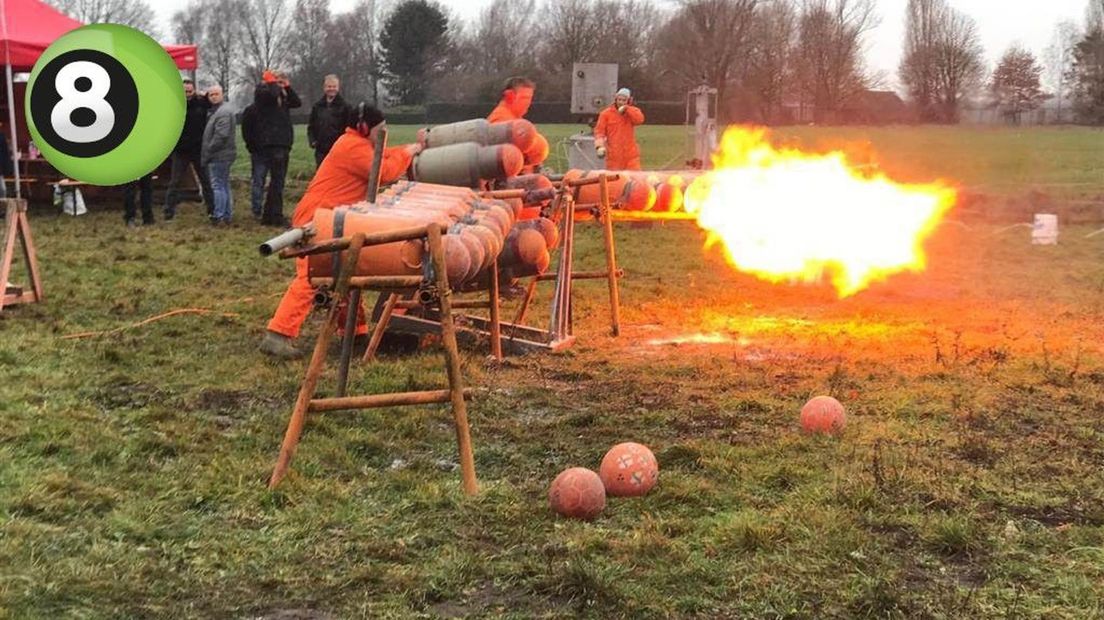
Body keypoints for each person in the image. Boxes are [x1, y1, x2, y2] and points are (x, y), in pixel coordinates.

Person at [260, 103, 427, 359]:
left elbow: (384, 155)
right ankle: (278, 334)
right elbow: (384, 171)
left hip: (335, 219)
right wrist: (411, 151)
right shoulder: (352, 147)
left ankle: (355, 333)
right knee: (313, 278)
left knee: (344, 274)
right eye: (380, 129)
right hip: (318, 220)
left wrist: (407, 150)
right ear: (364, 128)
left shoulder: (360, 145)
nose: (385, 132)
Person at [241, 69, 301, 226]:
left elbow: (297, 103)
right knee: (277, 182)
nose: (279, 84)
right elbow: (271, 95)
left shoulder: (282, 94)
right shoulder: (263, 92)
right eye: (277, 80)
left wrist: (287, 86)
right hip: (272, 143)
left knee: (277, 182)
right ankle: (276, 215)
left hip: (283, 142)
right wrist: (272, 82)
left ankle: (269, 216)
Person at [164, 78, 214, 221]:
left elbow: (213, 102)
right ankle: (169, 212)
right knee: (175, 182)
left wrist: (206, 95)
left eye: (190, 91)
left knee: (206, 181)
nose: (188, 94)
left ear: (194, 90)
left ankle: (212, 211)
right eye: (185, 91)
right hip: (181, 151)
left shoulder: (201, 103)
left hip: (199, 150)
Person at [201, 84, 236, 225]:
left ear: (222, 94)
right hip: (222, 154)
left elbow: (221, 136)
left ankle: (219, 215)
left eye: (216, 94)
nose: (214, 97)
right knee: (224, 184)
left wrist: (209, 150)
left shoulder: (223, 112)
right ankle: (226, 214)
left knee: (217, 186)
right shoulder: (218, 111)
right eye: (211, 95)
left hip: (220, 155)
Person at [594, 87, 645, 170]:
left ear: (628, 101)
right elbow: (599, 132)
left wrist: (627, 109)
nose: (621, 102)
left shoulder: (632, 112)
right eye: (619, 99)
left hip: (631, 156)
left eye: (624, 100)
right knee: (614, 180)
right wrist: (599, 146)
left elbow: (639, 120)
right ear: (615, 99)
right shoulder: (605, 114)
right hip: (614, 157)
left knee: (635, 180)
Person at [307, 74, 353, 168]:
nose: (331, 89)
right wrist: (312, 141)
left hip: (338, 149)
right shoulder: (317, 106)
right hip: (321, 150)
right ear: (324, 88)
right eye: (329, 86)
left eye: (334, 86)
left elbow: (350, 128)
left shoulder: (345, 107)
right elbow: (311, 126)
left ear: (338, 87)